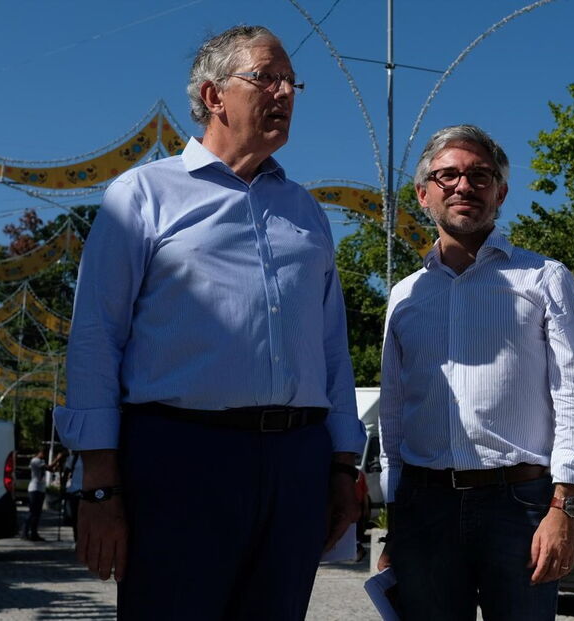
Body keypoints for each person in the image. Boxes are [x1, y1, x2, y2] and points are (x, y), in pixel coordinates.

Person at [54, 24, 365, 620]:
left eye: (291, 82)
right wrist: (99, 485)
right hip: (179, 457)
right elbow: (96, 337)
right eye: (266, 78)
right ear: (213, 95)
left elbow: (332, 350)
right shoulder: (142, 195)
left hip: (297, 461)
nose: (285, 93)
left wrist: (341, 465)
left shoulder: (306, 211)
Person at [377, 124, 574, 620]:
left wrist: (565, 508)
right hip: (425, 508)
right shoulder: (404, 297)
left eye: (480, 175)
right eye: (448, 175)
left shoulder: (544, 278)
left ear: (500, 192)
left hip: (520, 507)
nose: (464, 186)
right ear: (423, 194)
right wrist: (398, 518)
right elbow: (392, 414)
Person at [23, 447, 55, 542]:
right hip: (34, 489)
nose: (44, 456)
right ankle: (25, 532)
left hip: (40, 489)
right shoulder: (35, 460)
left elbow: (51, 469)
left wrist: (56, 463)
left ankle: (34, 533)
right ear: (39, 452)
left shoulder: (41, 461)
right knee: (32, 512)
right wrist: (57, 459)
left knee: (37, 513)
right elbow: (48, 467)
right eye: (44, 453)